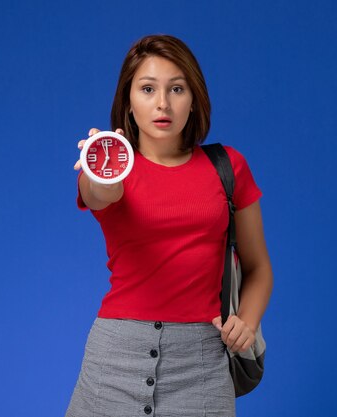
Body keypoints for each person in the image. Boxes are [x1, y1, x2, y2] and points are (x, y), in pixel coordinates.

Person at [67, 34, 273, 417]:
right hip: (115, 357)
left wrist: (247, 321)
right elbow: (100, 192)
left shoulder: (228, 167)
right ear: (128, 101)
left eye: (176, 89)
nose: (163, 103)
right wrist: (101, 162)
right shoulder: (113, 168)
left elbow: (259, 266)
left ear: (193, 99)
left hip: (202, 361)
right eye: (147, 89)